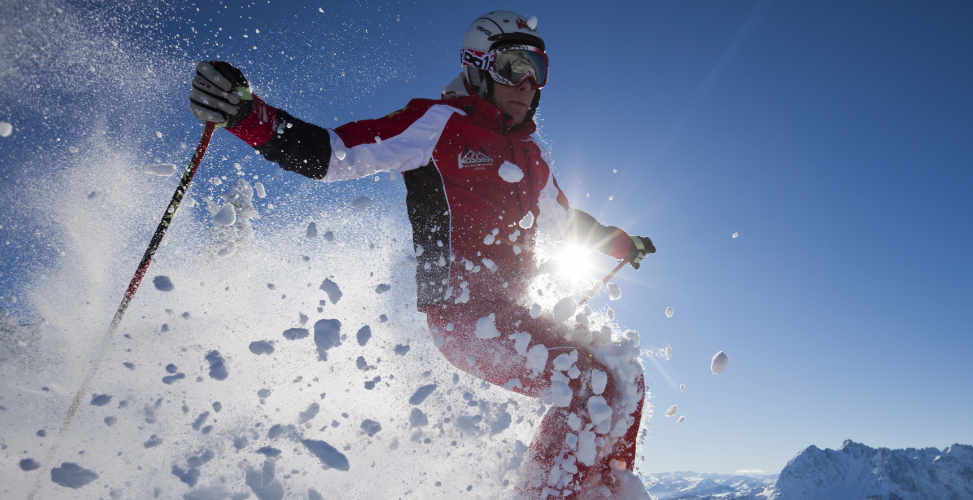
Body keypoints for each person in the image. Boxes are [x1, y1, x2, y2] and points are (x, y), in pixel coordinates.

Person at [189, 10, 655, 498]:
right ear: (479, 67)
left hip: (513, 312)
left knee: (626, 378)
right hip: (462, 314)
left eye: (537, 70)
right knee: (587, 383)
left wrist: (623, 242)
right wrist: (247, 116)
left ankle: (609, 487)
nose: (526, 82)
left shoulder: (531, 154)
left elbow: (565, 221)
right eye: (512, 66)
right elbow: (334, 154)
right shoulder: (437, 124)